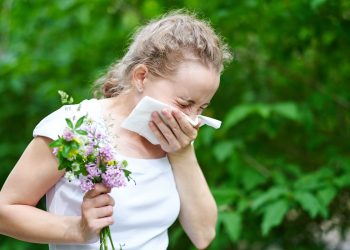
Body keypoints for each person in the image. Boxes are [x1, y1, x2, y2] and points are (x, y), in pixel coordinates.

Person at [0, 10, 232, 250]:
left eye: (201, 107)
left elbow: (203, 235)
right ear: (141, 77)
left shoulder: (175, 141)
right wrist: (77, 229)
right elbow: (6, 211)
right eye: (184, 103)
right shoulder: (74, 127)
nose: (192, 119)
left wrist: (183, 153)